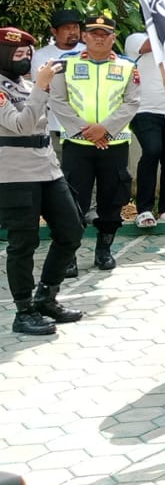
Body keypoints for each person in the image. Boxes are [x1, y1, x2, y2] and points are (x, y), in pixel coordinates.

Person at [0, 27, 84, 335]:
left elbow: (45, 119)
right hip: (14, 174)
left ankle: (46, 296)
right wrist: (41, 88)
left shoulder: (26, 84)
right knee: (23, 243)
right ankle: (23, 312)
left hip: (47, 168)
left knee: (71, 230)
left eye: (27, 54)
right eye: (16, 55)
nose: (23, 59)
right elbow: (20, 125)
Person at [48, 13, 141, 273]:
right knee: (72, 202)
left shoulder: (127, 66)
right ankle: (69, 256)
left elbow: (132, 102)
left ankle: (104, 250)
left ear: (113, 38)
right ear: (85, 36)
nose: (99, 38)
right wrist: (86, 131)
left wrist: (105, 130)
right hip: (78, 145)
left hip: (114, 144)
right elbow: (57, 100)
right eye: (94, 34)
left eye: (105, 34)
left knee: (112, 200)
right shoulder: (64, 64)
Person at [122, 33, 165, 229]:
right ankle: (144, 208)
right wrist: (162, 26)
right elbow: (147, 46)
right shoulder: (135, 38)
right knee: (152, 150)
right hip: (143, 110)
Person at [30, 9, 85, 149]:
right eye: (67, 28)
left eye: (75, 27)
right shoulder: (42, 56)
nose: (73, 31)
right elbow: (40, 87)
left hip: (86, 125)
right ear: (54, 31)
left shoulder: (89, 52)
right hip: (55, 125)